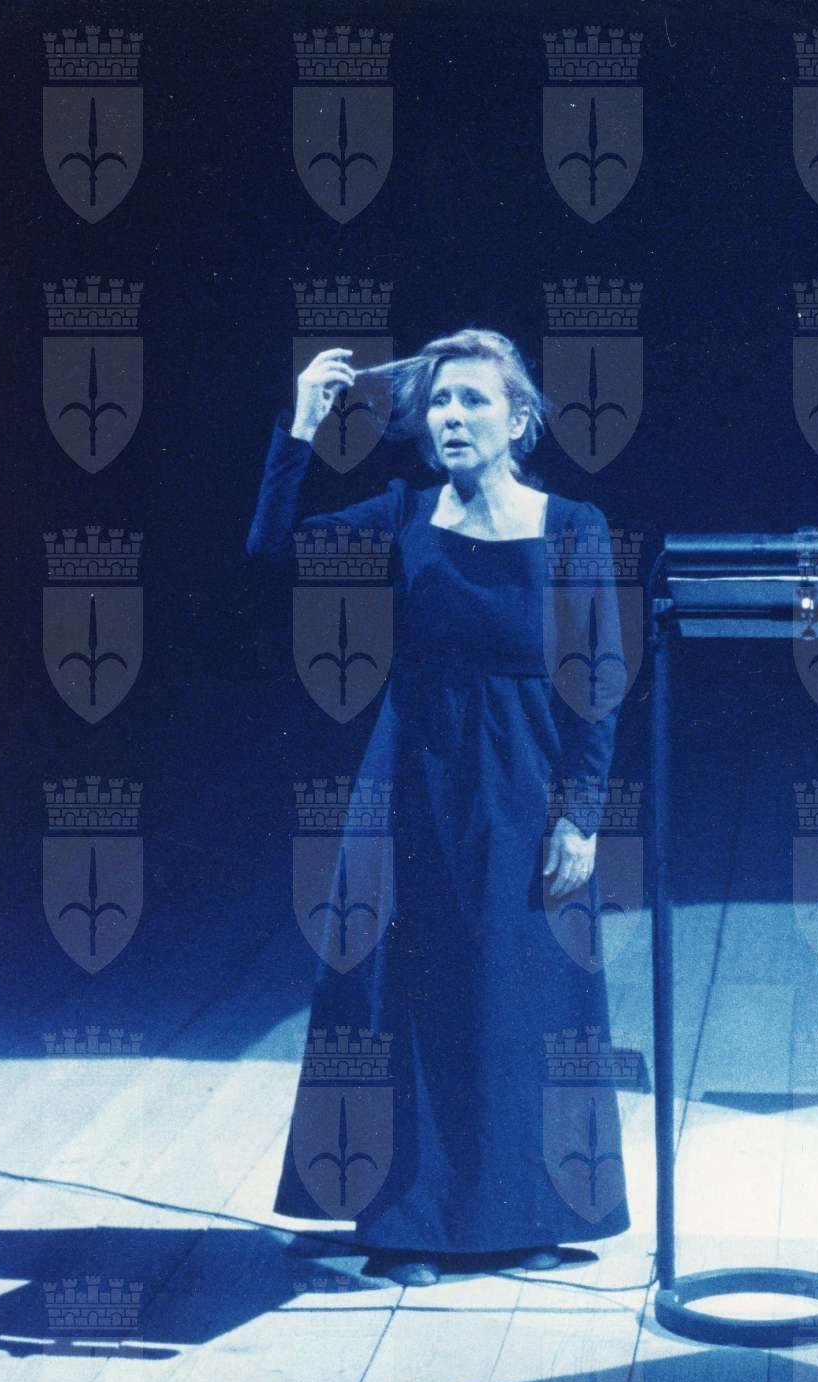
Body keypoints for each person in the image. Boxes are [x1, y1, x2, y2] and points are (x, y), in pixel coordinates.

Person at [245, 328, 631, 1286]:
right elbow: (272, 550)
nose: (452, 417)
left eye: (474, 400)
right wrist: (302, 425)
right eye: (440, 403)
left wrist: (581, 814)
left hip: (525, 778)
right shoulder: (403, 511)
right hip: (411, 775)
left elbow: (599, 677)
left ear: (520, 419)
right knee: (404, 991)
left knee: (523, 991)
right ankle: (406, 1226)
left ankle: (523, 1216)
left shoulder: (573, 525)